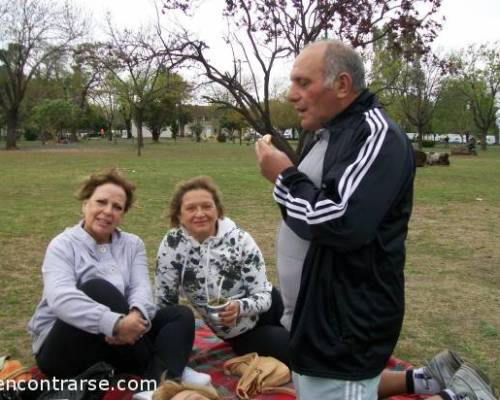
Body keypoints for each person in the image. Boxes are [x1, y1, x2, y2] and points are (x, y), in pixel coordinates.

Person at [255, 40, 496, 400]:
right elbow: (309, 211)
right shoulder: (329, 133)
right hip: (319, 319)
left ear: (342, 85)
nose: (291, 95)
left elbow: (339, 220)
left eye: (303, 83)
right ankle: (433, 383)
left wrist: (285, 176)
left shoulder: (374, 134)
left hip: (346, 326)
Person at [27, 168, 210, 386]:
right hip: (63, 351)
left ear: (123, 214)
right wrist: (114, 323)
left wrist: (134, 317)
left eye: (117, 207)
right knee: (98, 289)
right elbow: (60, 298)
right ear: (85, 204)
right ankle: (167, 373)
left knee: (179, 315)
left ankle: (156, 381)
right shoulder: (63, 245)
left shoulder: (133, 244)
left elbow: (141, 289)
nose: (107, 211)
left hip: (116, 344)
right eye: (101, 202)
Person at [155, 176, 289, 364]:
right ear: (179, 215)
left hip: (270, 306)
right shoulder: (172, 246)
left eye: (207, 206)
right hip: (240, 333)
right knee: (294, 348)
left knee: (315, 334)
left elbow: (264, 295)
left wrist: (239, 307)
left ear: (217, 210)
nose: (200, 213)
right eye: (191, 208)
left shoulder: (240, 240)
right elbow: (165, 304)